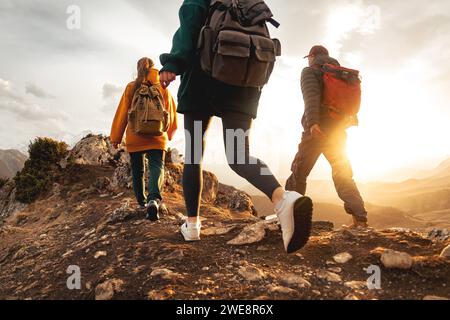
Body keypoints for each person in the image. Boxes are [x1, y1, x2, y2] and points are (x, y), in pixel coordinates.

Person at [159, 0, 313, 254]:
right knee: (239, 155)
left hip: (201, 86)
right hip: (243, 88)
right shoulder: (250, 3)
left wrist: (172, 65)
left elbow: (187, 33)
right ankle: (282, 199)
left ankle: (193, 225)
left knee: (194, 154)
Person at [286, 45, 368, 228]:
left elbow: (311, 97)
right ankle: (360, 219)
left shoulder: (310, 71)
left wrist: (313, 123)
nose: (308, 60)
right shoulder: (340, 74)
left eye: (309, 57)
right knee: (343, 174)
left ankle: (291, 219)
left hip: (317, 131)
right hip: (338, 131)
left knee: (298, 173)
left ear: (313, 56)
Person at [110, 57, 178, 221]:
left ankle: (142, 201)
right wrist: (170, 132)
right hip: (157, 135)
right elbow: (170, 111)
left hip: (135, 135)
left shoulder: (131, 87)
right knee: (156, 166)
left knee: (138, 169)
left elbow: (122, 114)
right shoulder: (162, 87)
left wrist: (116, 136)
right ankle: (153, 199)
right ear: (154, 69)